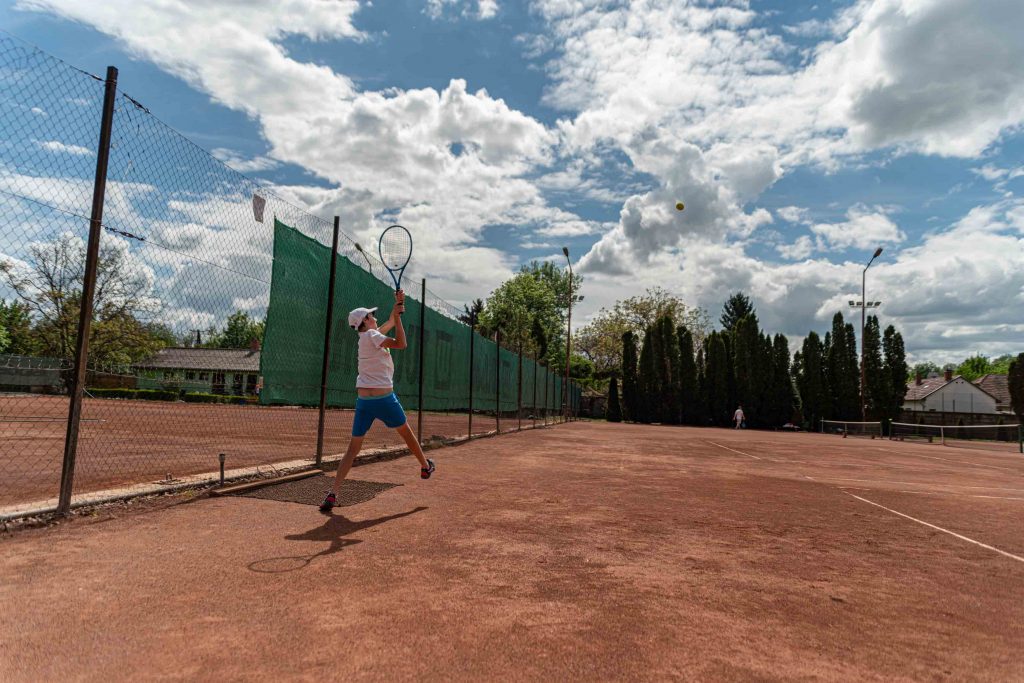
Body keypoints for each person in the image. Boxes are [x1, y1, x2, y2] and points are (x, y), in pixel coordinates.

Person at [320, 289, 434, 514]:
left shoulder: (365, 338)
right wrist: (398, 319)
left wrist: (398, 305)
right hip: (384, 399)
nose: (374, 317)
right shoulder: (373, 336)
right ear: (364, 321)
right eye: (371, 315)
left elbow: (388, 323)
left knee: (352, 449)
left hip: (364, 402)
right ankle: (425, 466)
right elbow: (401, 343)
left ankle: (333, 493)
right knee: (407, 433)